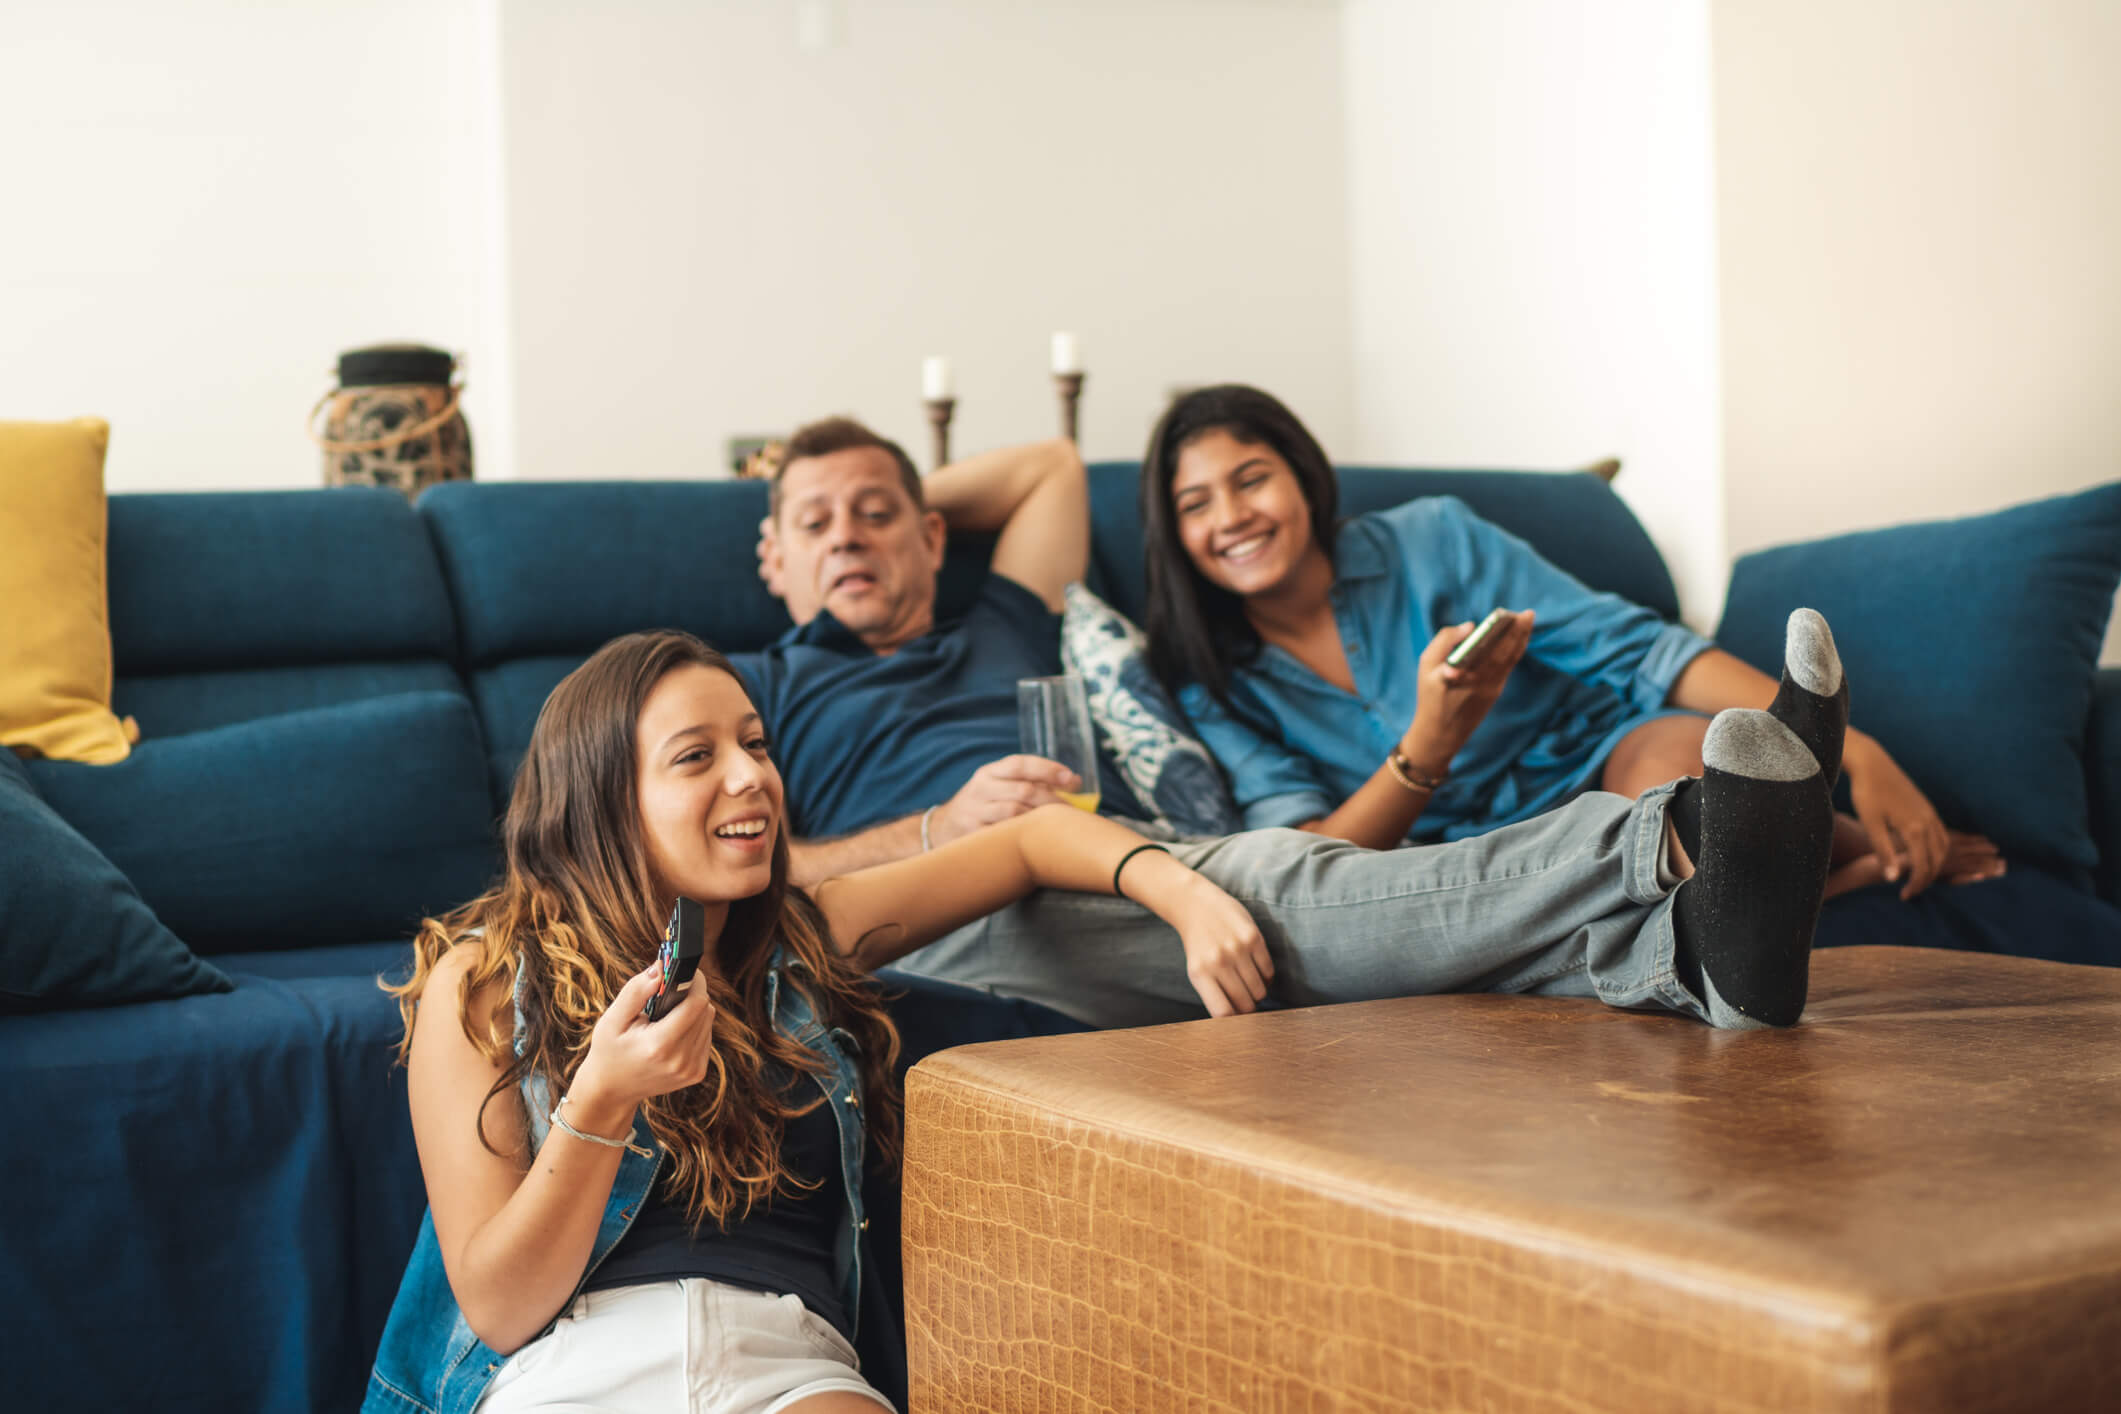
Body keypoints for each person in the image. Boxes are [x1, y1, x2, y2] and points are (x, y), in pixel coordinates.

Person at [363, 629, 1316, 1414]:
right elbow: (497, 1306)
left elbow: (1027, 842)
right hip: (569, 1367)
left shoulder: (808, 938)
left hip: (788, 1365)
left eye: (757, 745)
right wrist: (603, 1100)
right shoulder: (484, 985)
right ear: (604, 802)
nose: (751, 778)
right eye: (697, 757)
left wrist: (1180, 892)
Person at [742, 415, 1844, 1036]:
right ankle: (1689, 836)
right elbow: (744, 863)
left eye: (879, 515)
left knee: (1295, 913)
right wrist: (935, 829)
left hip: (1101, 854)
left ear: (936, 537)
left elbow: (1050, 467)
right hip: (954, 906)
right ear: (771, 558)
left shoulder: (1003, 612)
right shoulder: (757, 687)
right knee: (1285, 882)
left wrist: (866, 492)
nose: (850, 537)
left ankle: (1698, 952)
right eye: (816, 524)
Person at [1134, 383, 2005, 901]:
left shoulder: (1432, 540)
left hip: (1601, 753)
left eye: (1251, 479)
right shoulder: (1204, 675)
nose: (1232, 517)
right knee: (1647, 851)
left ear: (1302, 477)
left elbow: (1641, 650)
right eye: (1195, 503)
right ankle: (1818, 882)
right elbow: (1317, 854)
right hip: (1471, 855)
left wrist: (1853, 748)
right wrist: (1425, 748)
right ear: (1173, 536)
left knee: (1691, 778)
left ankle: (1859, 854)